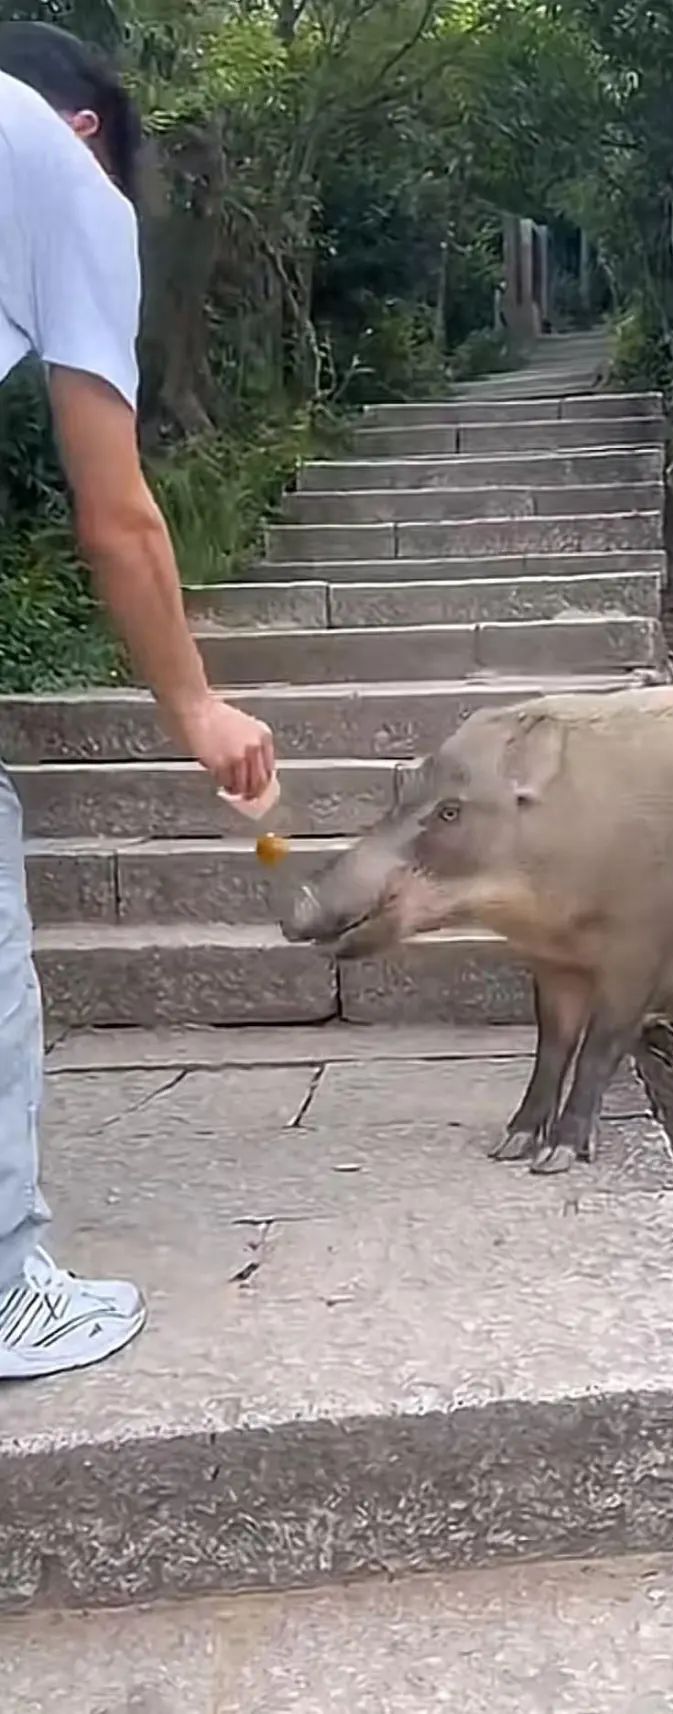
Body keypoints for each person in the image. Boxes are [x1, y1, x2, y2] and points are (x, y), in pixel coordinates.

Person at [0, 22, 277, 1380]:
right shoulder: (58, 169)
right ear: (94, 129)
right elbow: (119, 517)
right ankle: (2, 1281)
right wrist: (198, 709)